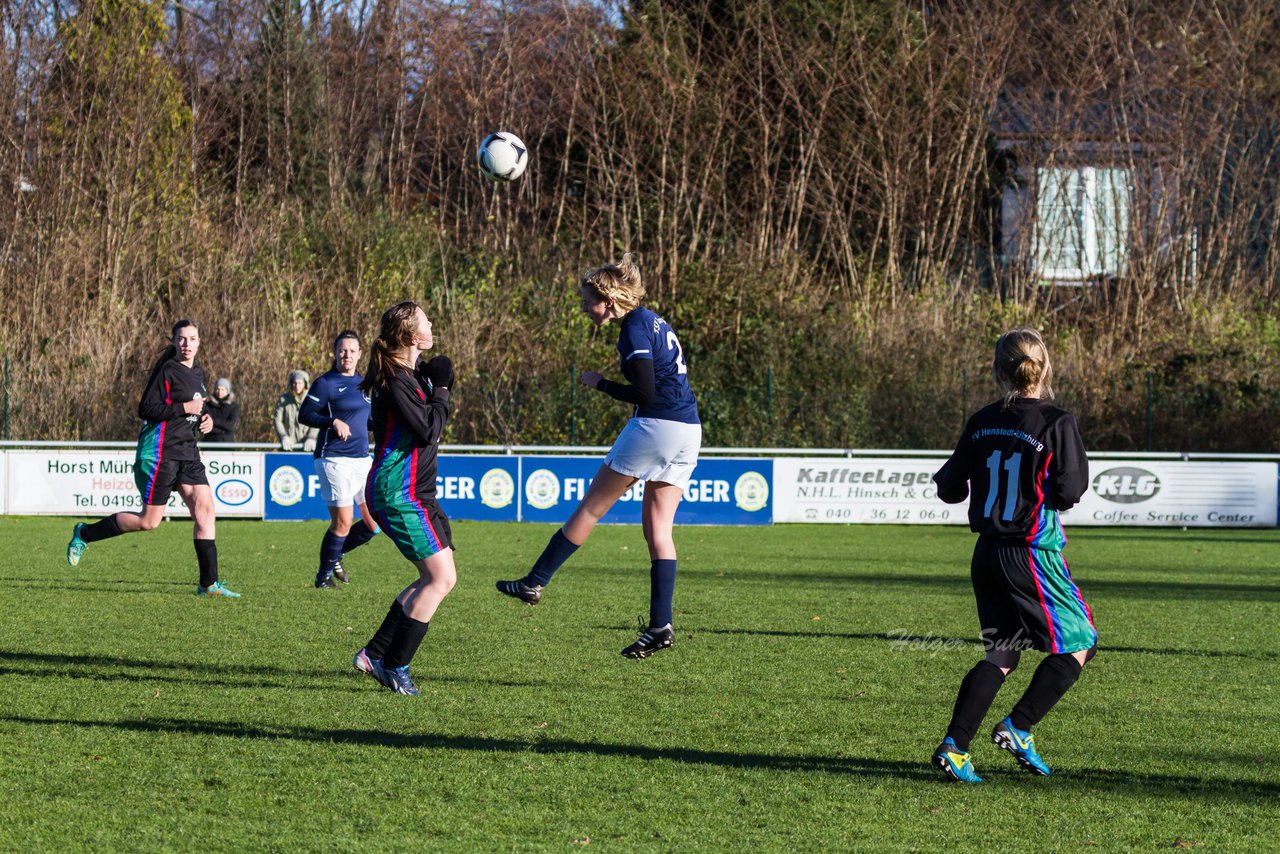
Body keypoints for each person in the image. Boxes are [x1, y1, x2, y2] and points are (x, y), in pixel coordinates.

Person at [496, 253, 701, 659]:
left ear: (609, 301)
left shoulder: (633, 329)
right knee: (659, 532)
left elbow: (645, 393)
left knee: (591, 508)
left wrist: (601, 384)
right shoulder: (653, 319)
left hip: (656, 426)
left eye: (587, 300)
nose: (583, 307)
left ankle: (534, 581)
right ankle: (660, 626)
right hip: (688, 430)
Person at [930, 327, 1096, 783]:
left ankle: (955, 747)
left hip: (986, 553)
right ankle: (1018, 727)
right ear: (1044, 367)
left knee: (1001, 655)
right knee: (1081, 642)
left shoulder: (982, 420)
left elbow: (947, 486)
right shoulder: (1057, 422)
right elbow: (1069, 492)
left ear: (998, 369)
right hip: (1030, 553)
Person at [66, 319, 239, 598]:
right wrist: (185, 407)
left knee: (206, 511)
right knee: (149, 522)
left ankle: (208, 585)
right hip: (161, 452)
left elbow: (193, 410)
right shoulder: (167, 370)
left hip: (188, 451)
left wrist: (204, 419)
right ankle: (84, 533)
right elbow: (146, 408)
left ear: (199, 342)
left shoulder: (198, 372)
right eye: (181, 339)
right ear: (174, 342)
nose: (186, 344)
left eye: (192, 339)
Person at [350, 302, 456, 696]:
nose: (432, 323)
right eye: (427, 320)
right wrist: (442, 389)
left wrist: (432, 385)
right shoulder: (396, 380)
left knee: (435, 577)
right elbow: (430, 428)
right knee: (441, 578)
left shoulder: (407, 376)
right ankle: (395, 666)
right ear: (414, 337)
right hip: (399, 494)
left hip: (417, 493)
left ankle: (374, 654)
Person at [298, 330, 381, 589]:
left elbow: (366, 420)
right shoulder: (326, 383)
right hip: (333, 459)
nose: (347, 355)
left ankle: (335, 556)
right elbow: (305, 414)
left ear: (359, 354)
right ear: (335, 353)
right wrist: (332, 421)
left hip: (361, 460)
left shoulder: (365, 384)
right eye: (342, 350)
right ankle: (322, 577)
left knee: (374, 524)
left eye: (352, 351)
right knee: (343, 522)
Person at [274, 370, 318, 451]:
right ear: (291, 384)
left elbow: (316, 421)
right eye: (295, 383)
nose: (297, 386)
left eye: (300, 383)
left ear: (305, 384)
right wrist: (283, 436)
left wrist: (311, 438)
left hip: (307, 447)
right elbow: (278, 420)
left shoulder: (312, 400)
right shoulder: (283, 400)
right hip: (288, 446)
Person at [204, 377, 241, 443]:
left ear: (227, 390)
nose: (220, 392)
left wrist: (212, 420)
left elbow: (230, 426)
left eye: (222, 389)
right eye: (217, 389)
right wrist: (223, 429)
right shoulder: (208, 405)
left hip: (228, 444)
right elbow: (205, 425)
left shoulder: (234, 406)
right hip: (209, 443)